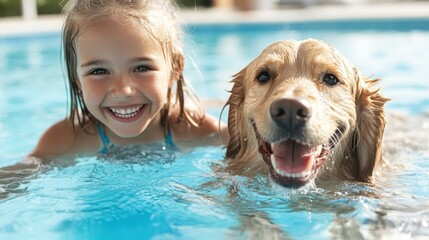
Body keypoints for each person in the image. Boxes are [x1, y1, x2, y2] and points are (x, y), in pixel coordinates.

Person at [3, 0, 227, 172]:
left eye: (141, 68)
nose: (122, 90)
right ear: (76, 80)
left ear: (175, 68)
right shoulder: (66, 139)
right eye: (98, 71)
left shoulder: (200, 130)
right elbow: (15, 179)